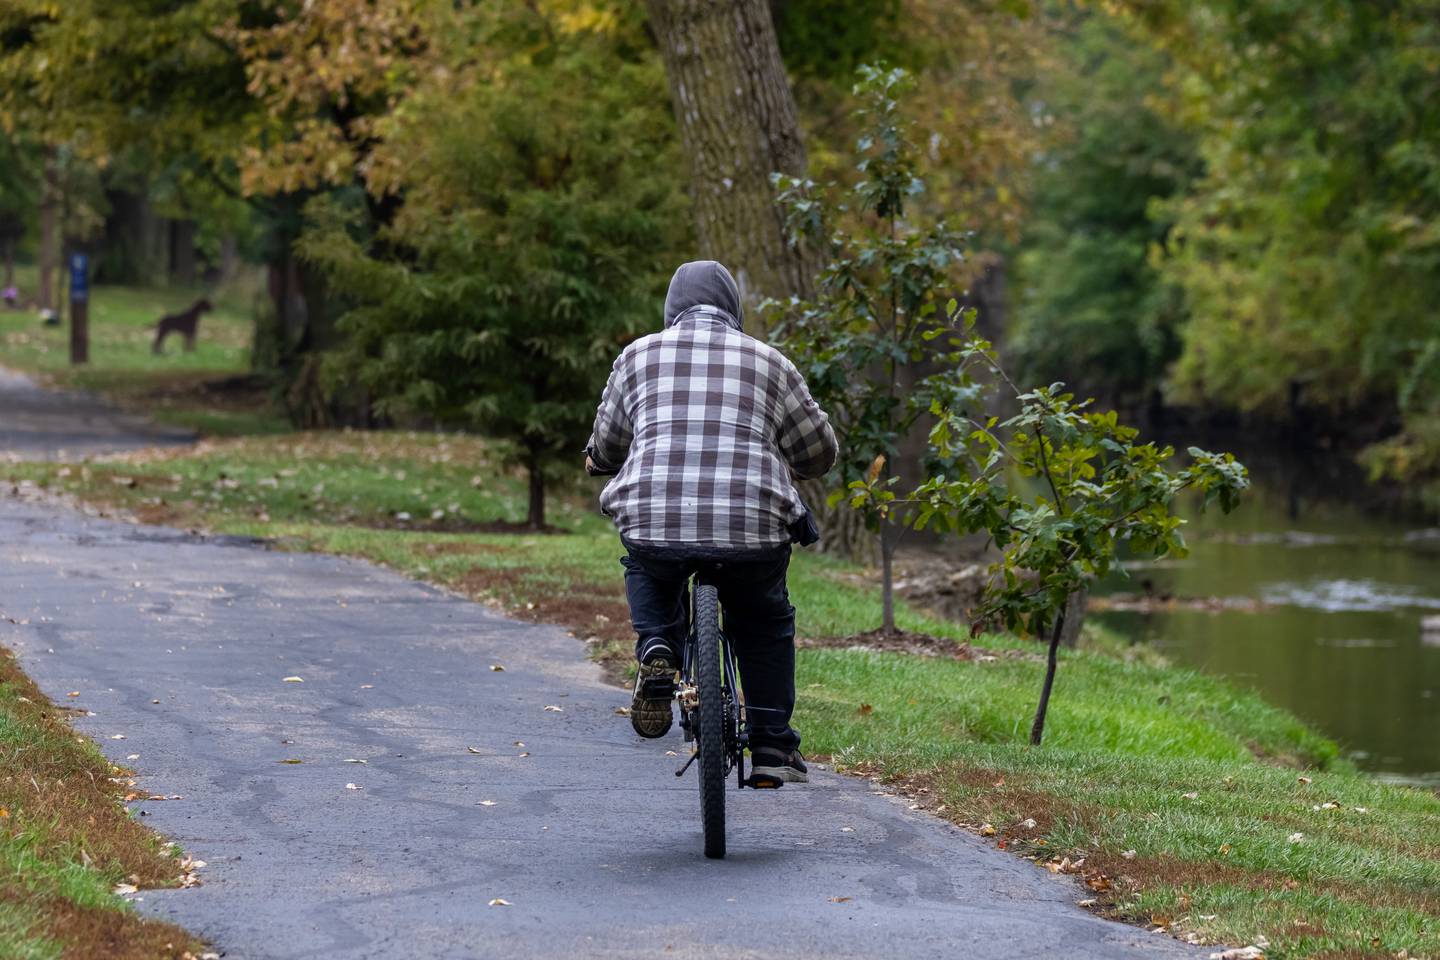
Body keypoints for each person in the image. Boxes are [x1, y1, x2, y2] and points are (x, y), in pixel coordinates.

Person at [585, 260, 838, 784]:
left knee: (650, 562)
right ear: (734, 309)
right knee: (763, 619)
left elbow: (609, 443)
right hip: (750, 529)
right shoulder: (771, 362)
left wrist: (598, 460)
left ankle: (657, 645)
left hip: (657, 520)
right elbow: (818, 450)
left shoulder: (637, 356)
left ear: (671, 309)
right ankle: (771, 746)